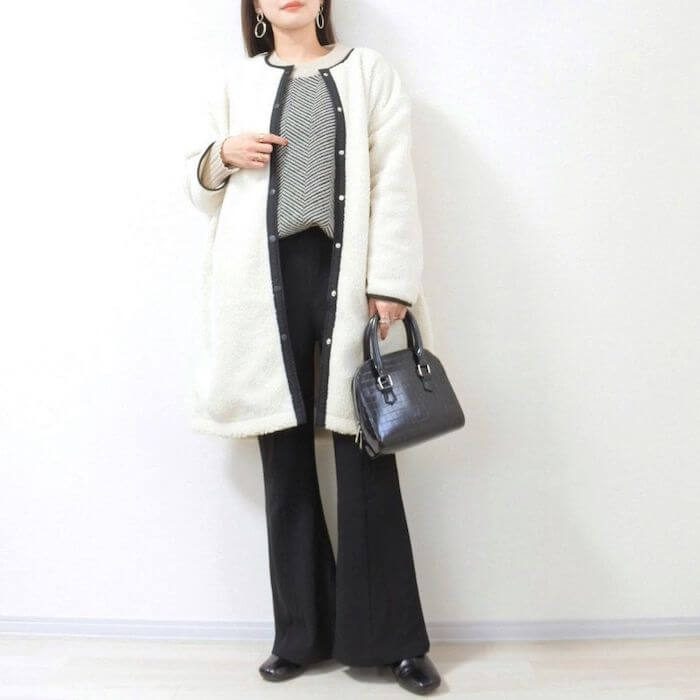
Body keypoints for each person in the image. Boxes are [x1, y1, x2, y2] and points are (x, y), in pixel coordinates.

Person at [184, 0, 440, 694]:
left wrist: (390, 281)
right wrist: (220, 157)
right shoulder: (236, 82)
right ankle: (300, 635)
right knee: (284, 456)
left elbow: (393, 179)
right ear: (256, 7)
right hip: (260, 286)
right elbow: (197, 190)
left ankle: (393, 642)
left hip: (347, 279)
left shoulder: (370, 73)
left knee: (367, 449)